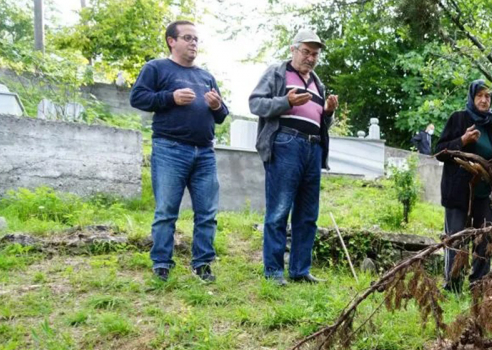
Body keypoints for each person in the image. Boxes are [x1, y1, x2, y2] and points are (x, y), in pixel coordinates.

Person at [130, 20, 228, 283]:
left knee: (207, 213)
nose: (194, 43)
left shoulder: (206, 76)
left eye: (196, 39)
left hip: (205, 153)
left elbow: (222, 116)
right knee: (166, 210)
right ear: (171, 41)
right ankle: (161, 263)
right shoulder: (156, 68)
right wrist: (169, 98)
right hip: (169, 149)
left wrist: (218, 105)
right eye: (188, 38)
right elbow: (137, 97)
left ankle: (202, 264)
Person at [249, 29, 339, 286]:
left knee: (308, 214)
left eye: (315, 54)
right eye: (306, 52)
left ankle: (300, 270)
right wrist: (285, 101)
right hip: (285, 143)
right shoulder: (278, 73)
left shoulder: (318, 83)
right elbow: (255, 104)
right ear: (293, 49)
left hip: (313, 149)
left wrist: (329, 113)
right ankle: (274, 272)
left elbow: (319, 122)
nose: (310, 58)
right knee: (279, 210)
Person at [434, 80, 492, 292]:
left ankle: (479, 285)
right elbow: (439, 151)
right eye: (479, 95)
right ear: (472, 97)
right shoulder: (459, 118)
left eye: (487, 96)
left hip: (485, 194)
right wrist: (463, 140)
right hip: (458, 192)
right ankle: (453, 287)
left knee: (485, 238)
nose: (484, 100)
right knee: (457, 238)